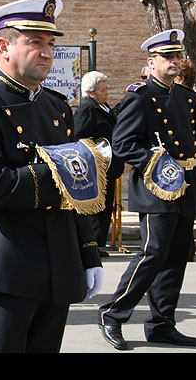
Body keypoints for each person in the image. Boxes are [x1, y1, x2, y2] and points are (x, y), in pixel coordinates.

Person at [0, 0, 103, 353]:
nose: (47, 52)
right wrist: (62, 171)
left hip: (57, 266)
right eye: (35, 43)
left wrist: (88, 253)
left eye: (50, 44)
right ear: (4, 47)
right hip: (4, 268)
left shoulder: (57, 107)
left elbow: (77, 191)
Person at [98, 29, 196, 350]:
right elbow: (124, 144)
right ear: (151, 62)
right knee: (152, 253)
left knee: (176, 257)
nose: (174, 62)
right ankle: (113, 314)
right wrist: (156, 162)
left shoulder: (188, 97)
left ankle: (161, 323)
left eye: (176, 56)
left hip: (186, 186)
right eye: (167, 57)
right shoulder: (139, 98)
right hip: (156, 187)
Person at [74, 71, 125, 257]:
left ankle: (99, 243)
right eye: (102, 90)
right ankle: (91, 245)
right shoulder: (88, 109)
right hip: (95, 167)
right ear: (91, 92)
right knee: (95, 208)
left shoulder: (104, 108)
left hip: (107, 167)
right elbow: (78, 136)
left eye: (106, 89)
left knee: (105, 207)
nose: (107, 93)